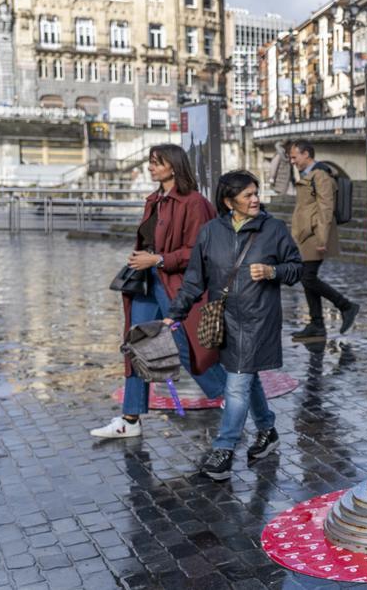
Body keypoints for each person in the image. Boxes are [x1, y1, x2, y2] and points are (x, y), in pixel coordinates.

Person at [168, 170, 303, 481]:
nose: (255, 199)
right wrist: (174, 314)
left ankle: (225, 449)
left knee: (238, 382)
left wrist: (272, 271)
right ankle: (267, 430)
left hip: (259, 320)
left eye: (256, 193)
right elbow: (193, 281)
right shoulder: (210, 232)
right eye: (247, 195)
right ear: (229, 202)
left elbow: (296, 268)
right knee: (247, 377)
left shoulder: (273, 229)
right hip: (224, 321)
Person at [91, 145, 228, 439]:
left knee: (186, 345)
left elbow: (200, 251)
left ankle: (233, 397)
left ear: (174, 167)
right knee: (137, 344)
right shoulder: (155, 199)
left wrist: (159, 259)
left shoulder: (195, 203)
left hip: (179, 286)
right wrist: (144, 258)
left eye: (157, 163)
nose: (151, 167)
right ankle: (130, 418)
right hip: (148, 281)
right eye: (151, 162)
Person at [288, 140, 359, 339]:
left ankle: (346, 306)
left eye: (295, 156)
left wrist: (322, 239)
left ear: (306, 155)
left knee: (307, 277)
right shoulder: (309, 175)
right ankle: (317, 324)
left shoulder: (320, 175)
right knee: (306, 278)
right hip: (307, 235)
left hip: (315, 235)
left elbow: (326, 208)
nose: (293, 161)